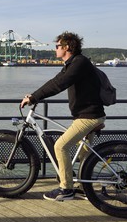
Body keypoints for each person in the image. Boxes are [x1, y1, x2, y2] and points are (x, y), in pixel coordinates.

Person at [20, 31, 106, 201]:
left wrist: (34, 98)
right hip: (87, 115)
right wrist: (34, 95)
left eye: (57, 46)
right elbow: (54, 81)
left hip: (88, 117)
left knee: (60, 146)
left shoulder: (79, 63)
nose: (55, 49)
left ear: (67, 47)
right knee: (84, 154)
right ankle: (85, 187)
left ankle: (66, 189)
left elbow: (60, 84)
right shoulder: (72, 63)